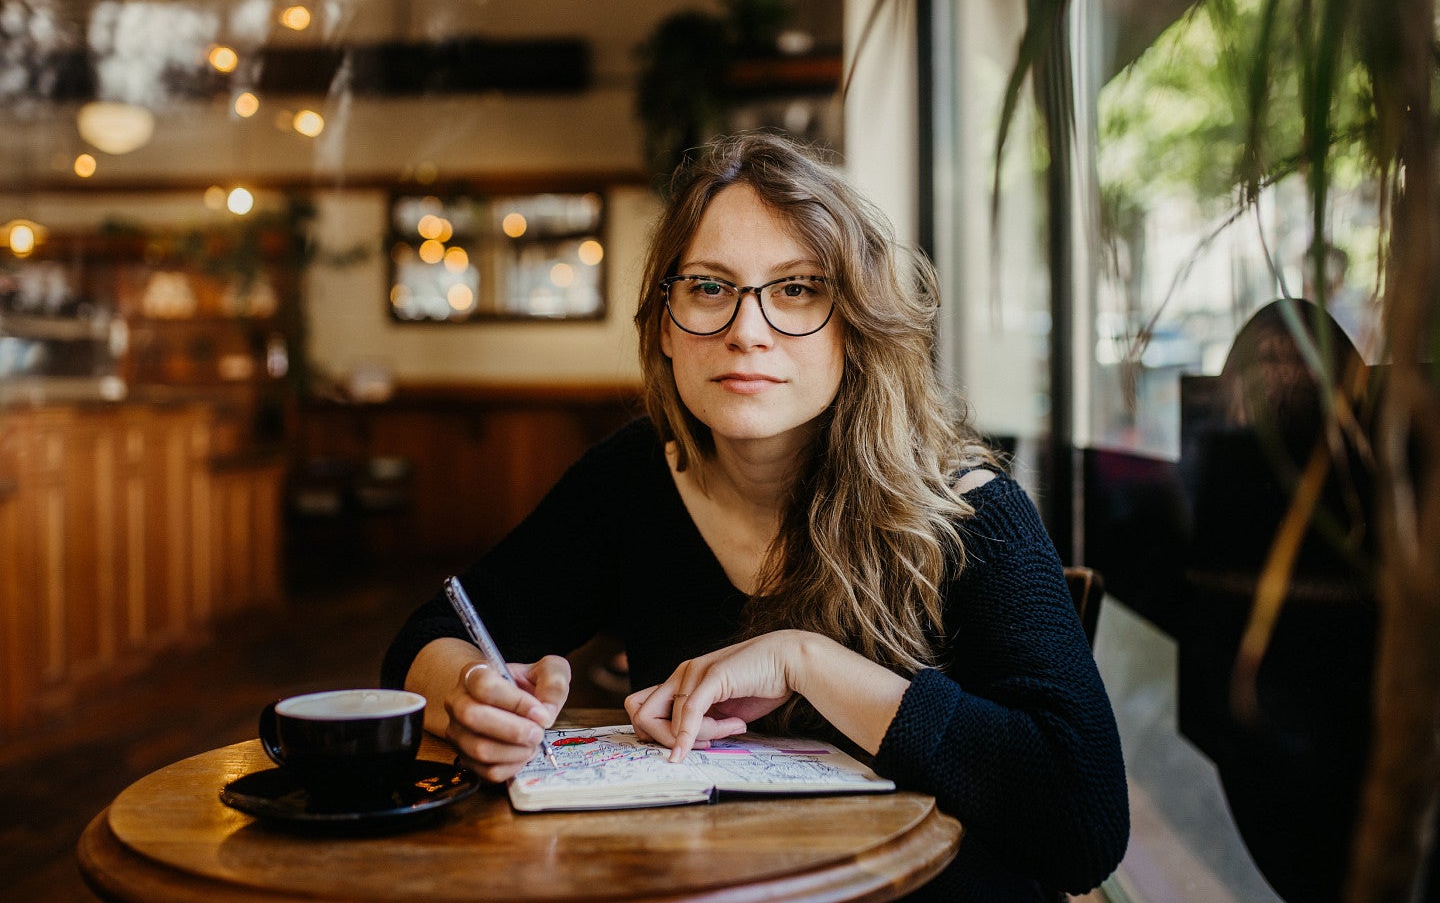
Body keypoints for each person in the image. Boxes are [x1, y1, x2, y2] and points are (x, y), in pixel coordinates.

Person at [381, 131, 1129, 901]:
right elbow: (427, 636)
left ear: (855, 326)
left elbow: (1086, 826)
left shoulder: (969, 507)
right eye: (709, 287)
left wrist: (805, 660)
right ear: (665, 324)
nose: (747, 328)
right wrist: (471, 689)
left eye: (797, 289)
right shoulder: (633, 479)